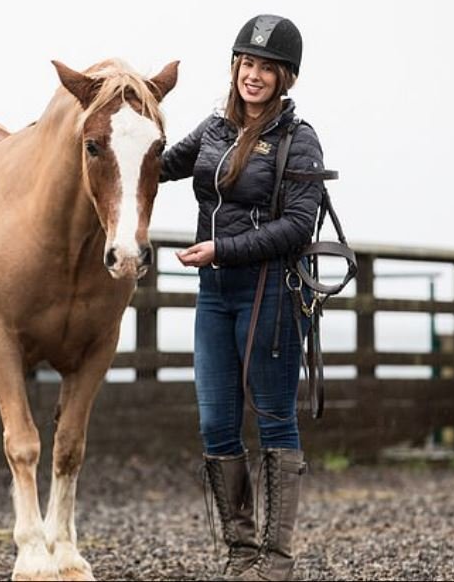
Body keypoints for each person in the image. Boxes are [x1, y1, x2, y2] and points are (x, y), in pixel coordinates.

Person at [160, 14, 324, 581]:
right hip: (214, 294)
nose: (253, 75)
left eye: (267, 68)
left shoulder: (298, 140)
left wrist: (222, 250)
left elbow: (300, 226)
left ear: (286, 78)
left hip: (269, 294)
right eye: (246, 64)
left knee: (275, 421)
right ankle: (240, 552)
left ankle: (274, 563)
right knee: (216, 425)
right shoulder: (213, 128)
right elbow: (155, 165)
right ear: (235, 68)